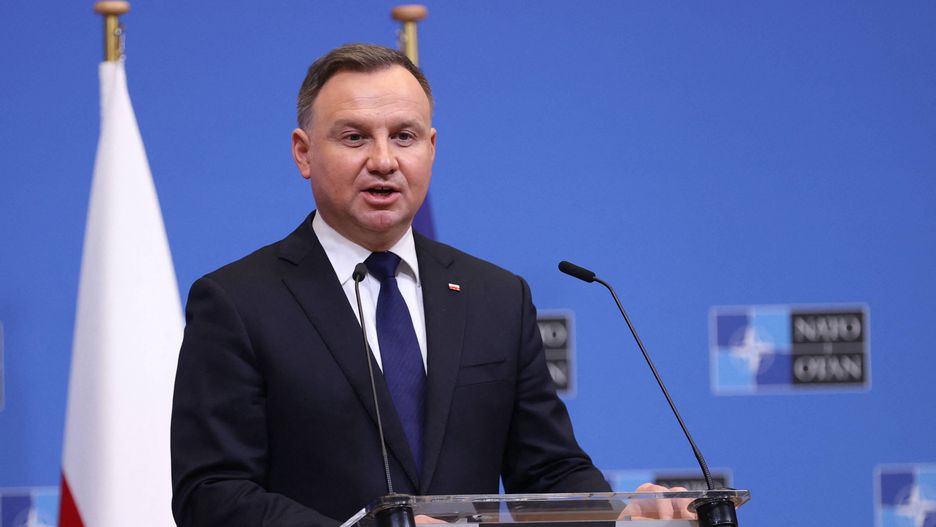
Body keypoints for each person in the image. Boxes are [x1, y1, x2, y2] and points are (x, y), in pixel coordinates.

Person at [170, 43, 686, 527]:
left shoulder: (496, 297)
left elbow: (548, 473)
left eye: (404, 136)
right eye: (354, 137)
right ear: (304, 153)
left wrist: (621, 515)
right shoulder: (238, 302)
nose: (383, 161)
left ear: (431, 148)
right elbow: (210, 494)